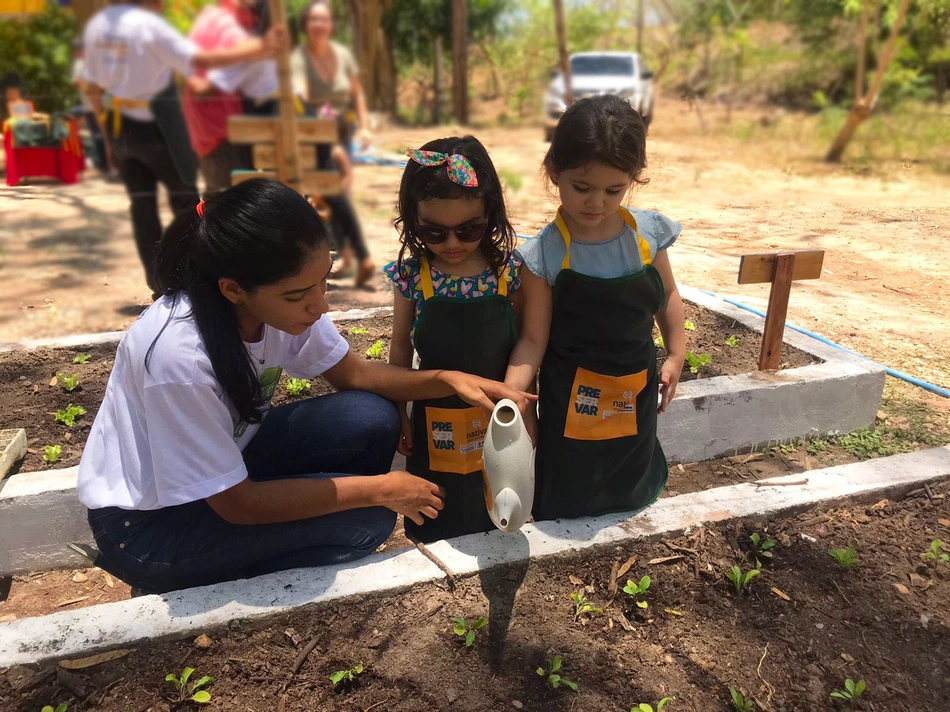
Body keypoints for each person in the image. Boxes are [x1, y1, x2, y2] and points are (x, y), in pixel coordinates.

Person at [77, 179, 534, 594]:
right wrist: (379, 489)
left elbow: (356, 375)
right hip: (150, 527)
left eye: (323, 283)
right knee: (366, 520)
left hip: (230, 465)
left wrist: (446, 379)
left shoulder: (277, 305)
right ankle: (204, 581)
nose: (318, 305)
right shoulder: (179, 358)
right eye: (299, 294)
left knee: (369, 417)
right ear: (234, 289)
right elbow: (237, 505)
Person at [506, 94, 686, 521]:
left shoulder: (647, 236)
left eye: (613, 190)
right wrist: (515, 399)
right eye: (581, 188)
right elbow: (533, 339)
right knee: (572, 482)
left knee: (628, 479)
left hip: (634, 388)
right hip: (570, 397)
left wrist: (677, 352)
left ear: (633, 179)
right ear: (554, 173)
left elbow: (668, 297)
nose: (597, 203)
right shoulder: (544, 255)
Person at [81, 0, 284, 295]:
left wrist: (106, 139)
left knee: (142, 206)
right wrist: (260, 47)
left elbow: (93, 88)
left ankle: (156, 280)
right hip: (157, 124)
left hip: (118, 124)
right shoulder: (148, 24)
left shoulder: (99, 26)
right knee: (187, 202)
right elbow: (201, 60)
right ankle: (184, 277)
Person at [384, 137, 522, 543]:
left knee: (499, 487)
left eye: (469, 229)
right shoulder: (412, 276)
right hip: (434, 415)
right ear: (413, 221)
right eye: (434, 232)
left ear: (490, 215)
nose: (452, 244)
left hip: (498, 409)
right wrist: (400, 411)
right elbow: (399, 347)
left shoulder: (509, 272)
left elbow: (524, 342)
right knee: (439, 501)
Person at [291, 0, 374, 286]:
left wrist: (364, 127)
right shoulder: (299, 58)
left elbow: (357, 94)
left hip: (343, 129)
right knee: (330, 195)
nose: (319, 25)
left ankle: (356, 257)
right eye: (313, 19)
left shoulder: (342, 55)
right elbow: (298, 94)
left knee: (337, 194)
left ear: (331, 24)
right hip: (315, 133)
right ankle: (354, 257)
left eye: (324, 19)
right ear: (306, 24)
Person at [182, 0, 262, 197]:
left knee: (220, 194)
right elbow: (205, 87)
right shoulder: (230, 27)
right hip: (221, 129)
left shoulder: (211, 16)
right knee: (230, 200)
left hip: (205, 127)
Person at [70, 40, 110, 174]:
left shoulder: (92, 63)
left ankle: (108, 165)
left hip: (101, 104)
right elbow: (77, 83)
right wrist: (89, 88)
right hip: (91, 105)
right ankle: (105, 165)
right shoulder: (80, 64)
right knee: (100, 136)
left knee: (103, 135)